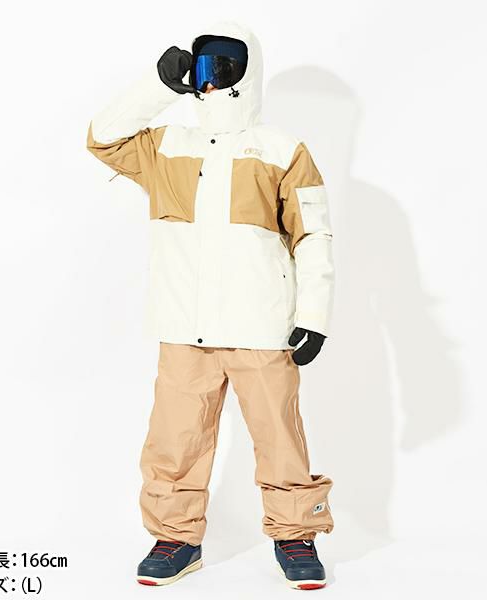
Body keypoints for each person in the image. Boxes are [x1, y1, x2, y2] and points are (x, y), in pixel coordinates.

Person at [86, 19, 335, 590]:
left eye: (223, 64)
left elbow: (313, 235)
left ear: (248, 69)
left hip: (261, 326)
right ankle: (176, 537)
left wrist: (313, 317)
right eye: (200, 66)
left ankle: (295, 534)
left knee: (279, 437)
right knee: (175, 439)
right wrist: (157, 86)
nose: (211, 78)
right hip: (185, 326)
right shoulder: (166, 145)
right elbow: (102, 138)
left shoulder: (281, 150)